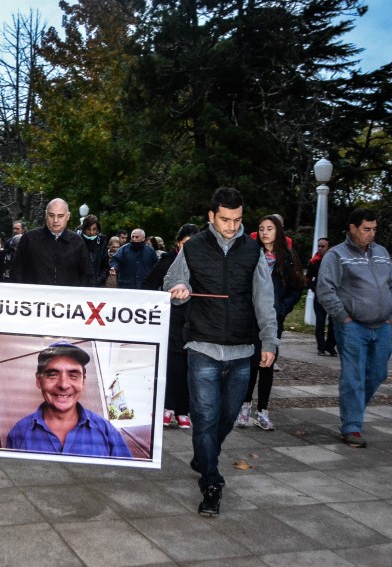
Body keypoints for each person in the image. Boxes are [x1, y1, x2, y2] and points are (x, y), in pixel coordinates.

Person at [164, 187, 278, 516]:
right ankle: (211, 482)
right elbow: (171, 283)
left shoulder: (253, 250)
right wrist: (179, 290)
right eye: (225, 219)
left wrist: (269, 341)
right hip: (202, 347)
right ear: (212, 217)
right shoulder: (194, 246)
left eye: (237, 220)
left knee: (227, 417)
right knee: (205, 419)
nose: (231, 226)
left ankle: (204, 457)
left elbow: (264, 298)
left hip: (242, 350)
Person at [317, 208, 392, 448]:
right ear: (352, 228)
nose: (371, 234)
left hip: (381, 326)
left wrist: (391, 312)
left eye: (374, 229)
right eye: (366, 229)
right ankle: (351, 427)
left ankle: (354, 409)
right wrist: (343, 317)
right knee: (353, 375)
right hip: (353, 326)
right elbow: (325, 289)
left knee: (378, 372)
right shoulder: (336, 255)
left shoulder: (381, 253)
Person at [6, 341, 132, 458]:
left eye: (73, 375)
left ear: (83, 381)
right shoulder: (19, 433)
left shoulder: (106, 431)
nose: (63, 385)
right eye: (52, 375)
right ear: (39, 380)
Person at [238, 215, 304, 430]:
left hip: (273, 319)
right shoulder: (251, 255)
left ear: (278, 231)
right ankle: (245, 407)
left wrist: (282, 308)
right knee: (250, 363)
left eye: (270, 228)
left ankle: (263, 411)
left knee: (267, 363)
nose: (265, 232)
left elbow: (296, 287)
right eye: (261, 228)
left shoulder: (288, 257)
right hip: (251, 319)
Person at [142, 223, 200, 429]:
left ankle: (184, 409)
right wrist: (164, 299)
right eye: (186, 244)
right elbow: (147, 286)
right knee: (172, 366)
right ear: (178, 243)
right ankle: (167, 406)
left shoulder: (203, 264)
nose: (189, 250)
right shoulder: (167, 261)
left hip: (196, 323)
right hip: (172, 321)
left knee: (189, 368)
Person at [10, 198, 92, 286]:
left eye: (60, 216)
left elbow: (87, 276)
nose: (55, 220)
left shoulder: (77, 242)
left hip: (67, 298)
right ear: (46, 214)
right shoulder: (29, 239)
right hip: (34, 297)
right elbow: (16, 272)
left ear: (68, 216)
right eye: (51, 215)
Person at [306, 238, 337, 356]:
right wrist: (316, 289)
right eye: (319, 246)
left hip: (333, 296)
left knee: (334, 322)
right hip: (319, 297)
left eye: (323, 246)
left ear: (328, 248)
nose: (320, 248)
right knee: (320, 322)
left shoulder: (334, 261)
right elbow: (308, 279)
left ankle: (330, 346)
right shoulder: (314, 262)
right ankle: (321, 347)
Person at [79, 215, 110, 287]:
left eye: (94, 229)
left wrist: (99, 280)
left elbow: (105, 265)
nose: (91, 232)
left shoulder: (102, 243)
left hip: (98, 285)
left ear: (97, 230)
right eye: (88, 229)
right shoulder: (77, 242)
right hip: (81, 285)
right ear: (84, 229)